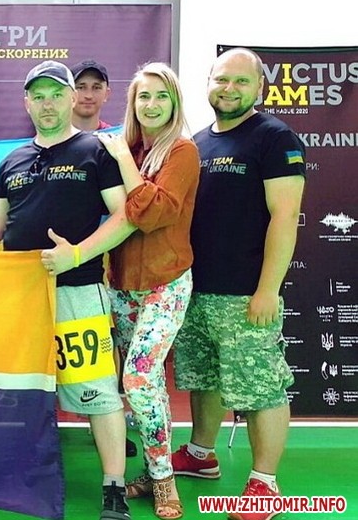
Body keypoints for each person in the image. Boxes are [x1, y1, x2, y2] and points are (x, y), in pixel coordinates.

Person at [0, 60, 136, 520]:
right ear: (26, 103)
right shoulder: (12, 161)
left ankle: (114, 487)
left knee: (96, 391)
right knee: (21, 390)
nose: (47, 104)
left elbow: (126, 217)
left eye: (56, 94)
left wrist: (76, 255)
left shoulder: (95, 151)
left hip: (77, 291)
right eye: (38, 96)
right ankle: (16, 474)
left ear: (71, 98)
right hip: (19, 299)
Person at [170, 48, 305, 520]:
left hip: (246, 294)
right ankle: (201, 454)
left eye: (241, 82)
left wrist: (267, 289)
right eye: (221, 79)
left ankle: (265, 484)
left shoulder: (274, 138)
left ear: (259, 89)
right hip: (195, 290)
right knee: (204, 378)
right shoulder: (197, 143)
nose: (229, 89)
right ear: (208, 82)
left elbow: (285, 216)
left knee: (261, 387)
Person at [98, 63, 200, 520]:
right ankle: (155, 467)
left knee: (137, 380)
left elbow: (153, 213)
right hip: (122, 284)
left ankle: (163, 480)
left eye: (161, 96)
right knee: (147, 385)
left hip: (166, 282)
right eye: (144, 96)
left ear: (174, 102)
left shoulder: (182, 151)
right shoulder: (127, 146)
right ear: (132, 102)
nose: (152, 104)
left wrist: (123, 159)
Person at [71, 58, 138, 459]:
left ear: (108, 93)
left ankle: (112, 419)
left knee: (106, 340)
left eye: (96, 87)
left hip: (109, 260)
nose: (88, 94)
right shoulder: (43, 142)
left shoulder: (118, 143)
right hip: (57, 263)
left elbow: (131, 206)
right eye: (81, 86)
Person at [71, 59, 113, 132]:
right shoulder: (53, 136)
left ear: (106, 94)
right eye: (81, 87)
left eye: (96, 88)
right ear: (69, 93)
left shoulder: (116, 137)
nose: (89, 96)